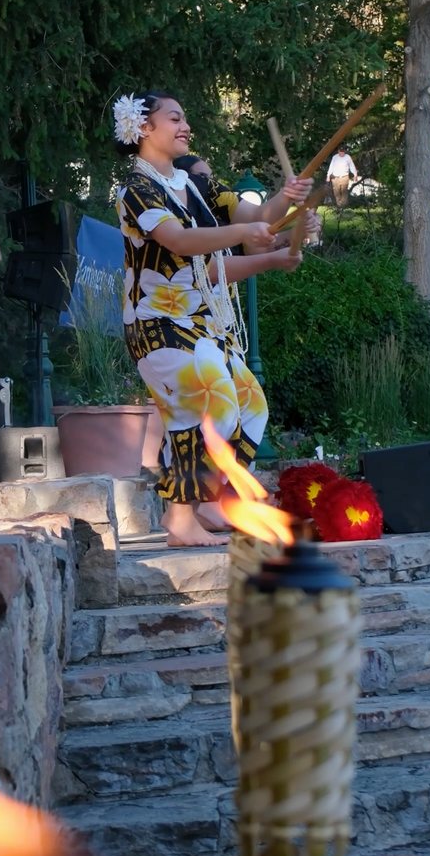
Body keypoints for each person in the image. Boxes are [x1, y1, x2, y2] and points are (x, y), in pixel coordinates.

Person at [113, 91, 309, 546]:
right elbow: (179, 242)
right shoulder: (136, 190)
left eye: (186, 118)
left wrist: (286, 201)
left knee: (250, 404)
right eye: (175, 118)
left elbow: (259, 217)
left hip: (203, 321)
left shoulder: (197, 187)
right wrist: (249, 237)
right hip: (157, 321)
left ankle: (210, 502)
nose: (185, 126)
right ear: (144, 127)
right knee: (210, 402)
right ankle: (179, 519)